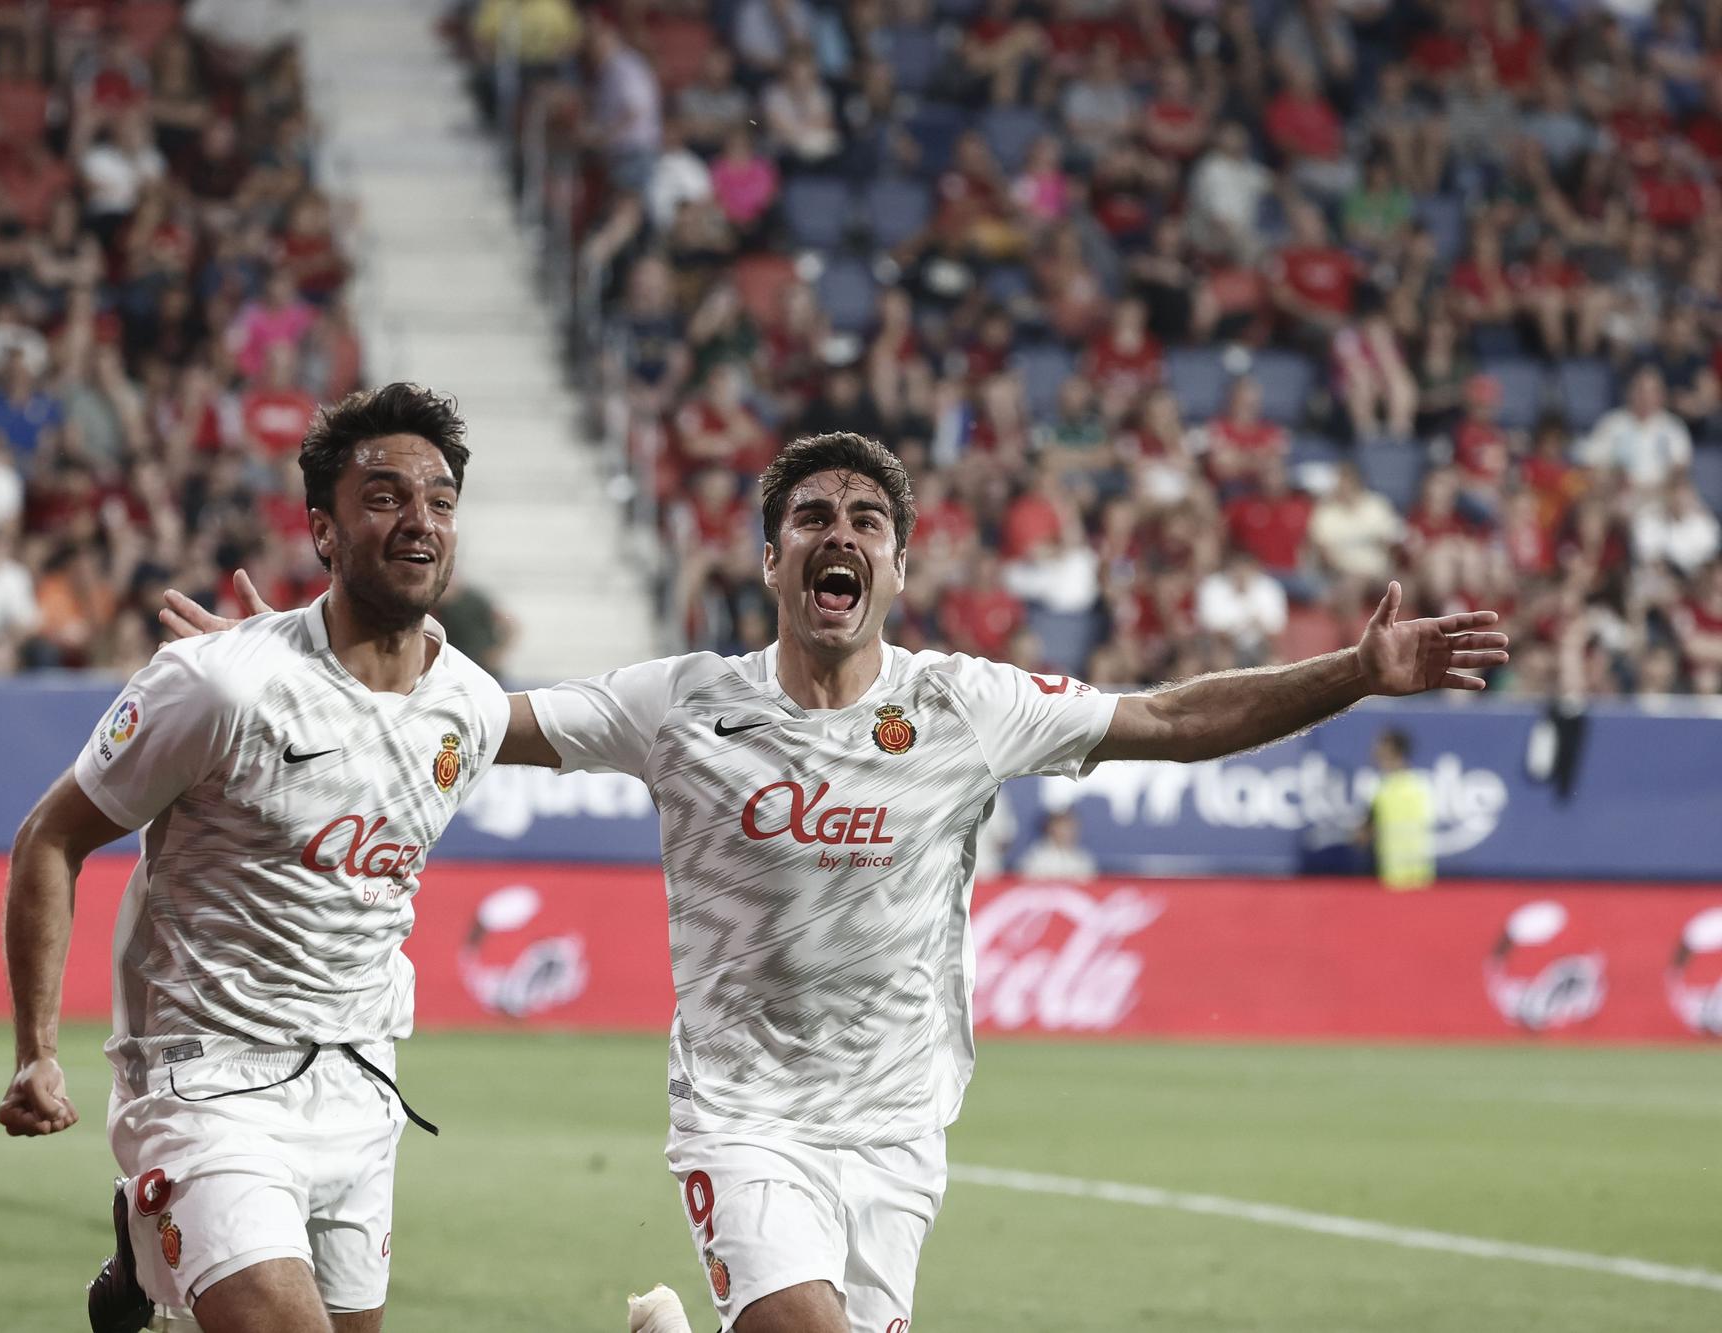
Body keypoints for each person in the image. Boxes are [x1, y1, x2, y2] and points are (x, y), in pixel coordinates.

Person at [174, 432, 1508, 1333]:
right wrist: (285, 666)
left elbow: (1166, 717)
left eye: (867, 519)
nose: (841, 533)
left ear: (897, 567)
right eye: (813, 516)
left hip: (900, 1130)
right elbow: (458, 725)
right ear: (771, 562)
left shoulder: (973, 704)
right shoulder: (682, 703)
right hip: (746, 1117)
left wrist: (1351, 672)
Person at [0, 384, 513, 1333]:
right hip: (204, 1078)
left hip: (364, 1081)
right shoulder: (216, 686)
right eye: (385, 496)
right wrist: (37, 1053)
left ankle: (148, 1290)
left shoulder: (473, 706)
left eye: (440, 500)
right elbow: (51, 838)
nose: (419, 521)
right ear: (323, 529)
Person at [1362, 728, 1435, 890]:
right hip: (1419, 878)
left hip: (1395, 878)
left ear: (1393, 751)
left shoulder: (1382, 789)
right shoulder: (1423, 785)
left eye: (1381, 748)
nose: (1375, 753)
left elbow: (1363, 836)